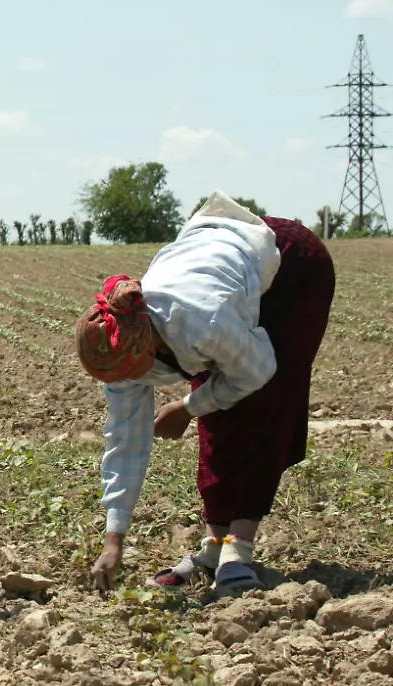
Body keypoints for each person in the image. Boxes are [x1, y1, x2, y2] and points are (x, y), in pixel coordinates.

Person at [77, 192, 335, 596]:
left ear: (151, 344)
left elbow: (258, 371)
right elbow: (125, 442)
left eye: (134, 373)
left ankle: (240, 547)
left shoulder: (203, 323)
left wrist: (186, 406)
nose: (130, 383)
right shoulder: (121, 348)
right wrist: (115, 540)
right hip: (223, 263)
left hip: (292, 267)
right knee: (215, 412)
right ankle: (215, 547)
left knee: (263, 402)